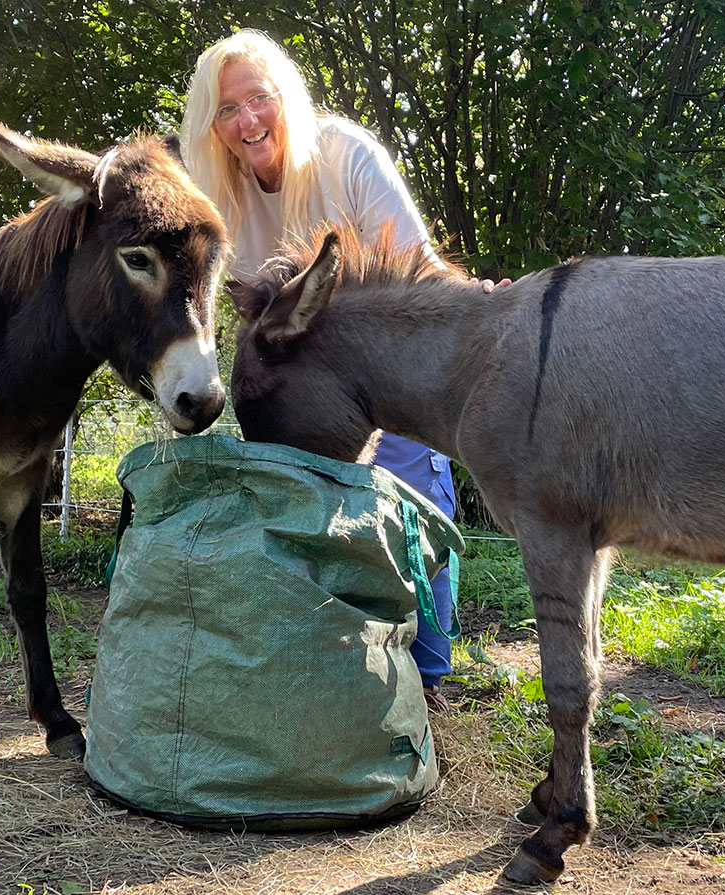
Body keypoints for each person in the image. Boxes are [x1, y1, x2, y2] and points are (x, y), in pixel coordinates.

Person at [181, 29, 502, 712]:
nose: (247, 122)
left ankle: (425, 675)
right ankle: (325, 658)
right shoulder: (219, 196)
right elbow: (244, 309)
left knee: (412, 490)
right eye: (227, 110)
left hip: (387, 367)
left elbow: (421, 264)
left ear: (282, 98)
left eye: (257, 99)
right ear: (212, 126)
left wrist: (477, 300)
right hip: (302, 385)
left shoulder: (346, 153)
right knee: (293, 503)